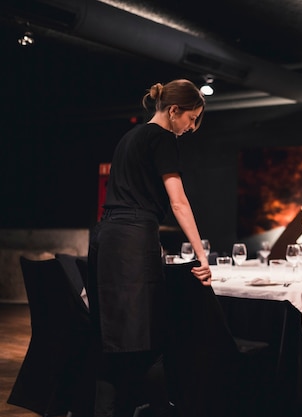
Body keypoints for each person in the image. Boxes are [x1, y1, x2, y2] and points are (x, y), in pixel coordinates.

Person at [87, 79, 212, 417]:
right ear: (174, 111)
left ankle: (111, 409)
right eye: (191, 118)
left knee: (111, 336)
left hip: (105, 235)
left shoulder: (129, 138)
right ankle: (138, 409)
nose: (191, 127)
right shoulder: (162, 138)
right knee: (140, 338)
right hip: (131, 239)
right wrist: (202, 255)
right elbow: (179, 202)